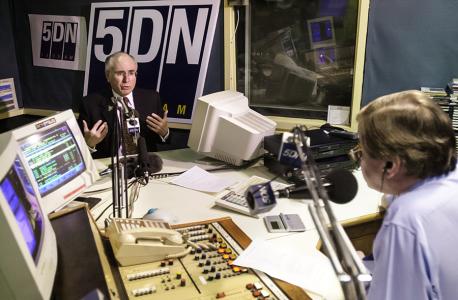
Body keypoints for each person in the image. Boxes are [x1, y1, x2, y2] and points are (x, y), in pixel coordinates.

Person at [351, 90, 458, 299]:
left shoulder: (406, 219)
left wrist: (358, 274)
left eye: (361, 151)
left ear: (390, 165)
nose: (359, 159)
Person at [78, 51, 169, 158]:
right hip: (110, 166)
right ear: (108, 76)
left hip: (145, 164)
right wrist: (89, 144)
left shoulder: (152, 98)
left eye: (131, 73)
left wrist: (164, 133)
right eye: (120, 73)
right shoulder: (90, 104)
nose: (127, 79)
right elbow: (79, 149)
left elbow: (161, 141)